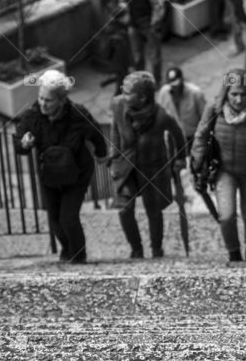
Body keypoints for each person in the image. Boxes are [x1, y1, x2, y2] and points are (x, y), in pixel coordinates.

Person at [16, 70, 108, 263]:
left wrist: (101, 154)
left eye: (48, 100)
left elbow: (97, 134)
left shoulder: (78, 114)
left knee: (68, 218)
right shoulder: (31, 116)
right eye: (40, 98)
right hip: (49, 175)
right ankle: (67, 250)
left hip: (77, 173)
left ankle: (79, 256)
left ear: (61, 100)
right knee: (55, 220)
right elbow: (19, 143)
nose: (42, 103)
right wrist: (24, 144)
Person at [191, 69, 246, 262]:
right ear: (226, 93)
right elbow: (200, 137)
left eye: (243, 94)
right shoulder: (214, 109)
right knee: (227, 214)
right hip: (224, 171)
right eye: (234, 94)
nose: (239, 100)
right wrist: (197, 167)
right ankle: (234, 253)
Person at [109, 71, 186, 259]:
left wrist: (179, 158)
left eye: (128, 92)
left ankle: (156, 249)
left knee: (154, 210)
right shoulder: (119, 104)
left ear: (143, 98)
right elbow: (115, 128)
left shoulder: (160, 116)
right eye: (123, 91)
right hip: (127, 166)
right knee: (124, 209)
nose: (123, 95)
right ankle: (136, 249)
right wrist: (114, 155)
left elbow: (178, 134)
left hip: (152, 168)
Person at [118, 0, 167, 85]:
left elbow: (158, 6)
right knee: (137, 57)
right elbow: (122, 2)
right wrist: (123, 11)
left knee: (154, 56)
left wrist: (154, 23)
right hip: (133, 25)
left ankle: (156, 82)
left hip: (148, 24)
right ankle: (141, 82)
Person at [156, 67, 207, 160]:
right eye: (171, 84)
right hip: (172, 138)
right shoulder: (164, 92)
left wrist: (201, 138)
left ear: (182, 80)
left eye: (177, 84)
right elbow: (159, 114)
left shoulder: (196, 93)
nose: (174, 88)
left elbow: (205, 118)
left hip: (192, 137)